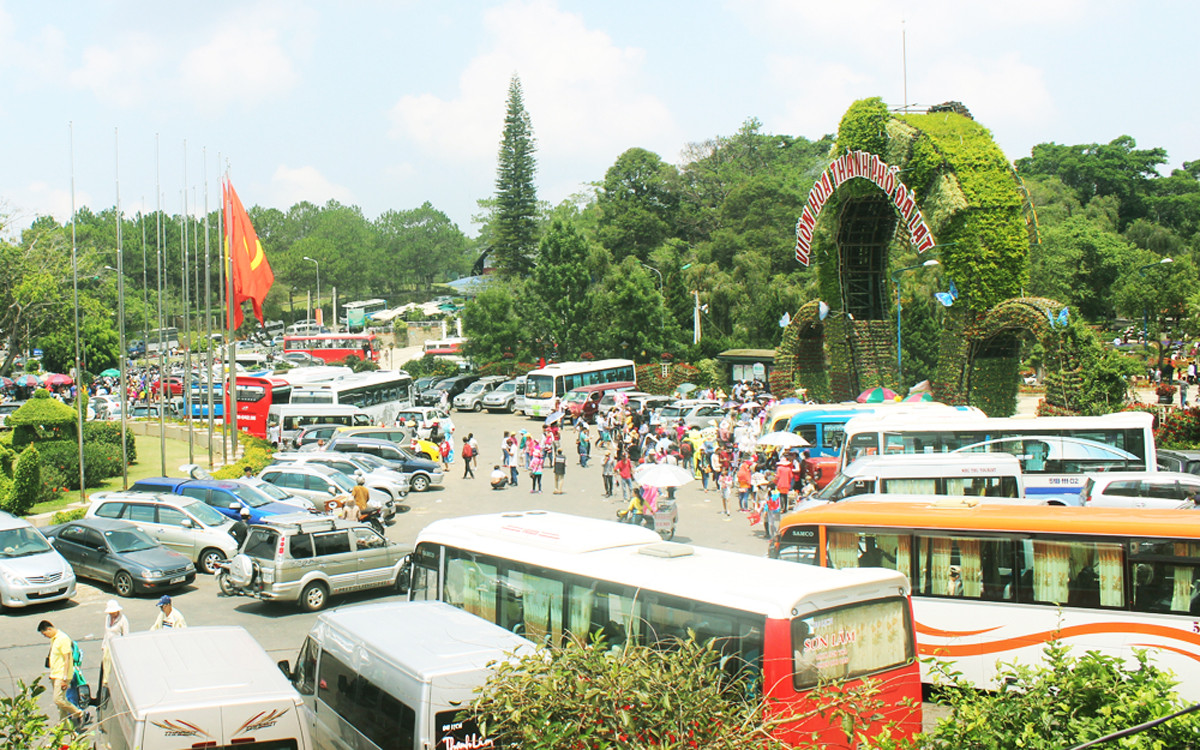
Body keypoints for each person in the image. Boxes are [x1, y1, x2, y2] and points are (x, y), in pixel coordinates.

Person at [38, 620, 85, 724]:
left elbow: (68, 659)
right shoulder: (54, 639)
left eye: (45, 634)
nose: (45, 636)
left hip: (62, 675)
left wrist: (64, 678)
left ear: (49, 629)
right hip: (55, 674)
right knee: (60, 705)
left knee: (58, 699)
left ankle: (79, 713)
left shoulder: (63, 639)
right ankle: (65, 727)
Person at [97, 600, 129, 702]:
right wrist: (103, 645)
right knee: (106, 667)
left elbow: (126, 636)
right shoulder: (108, 618)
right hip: (108, 646)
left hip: (116, 647)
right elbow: (107, 633)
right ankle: (106, 686)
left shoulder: (123, 620)